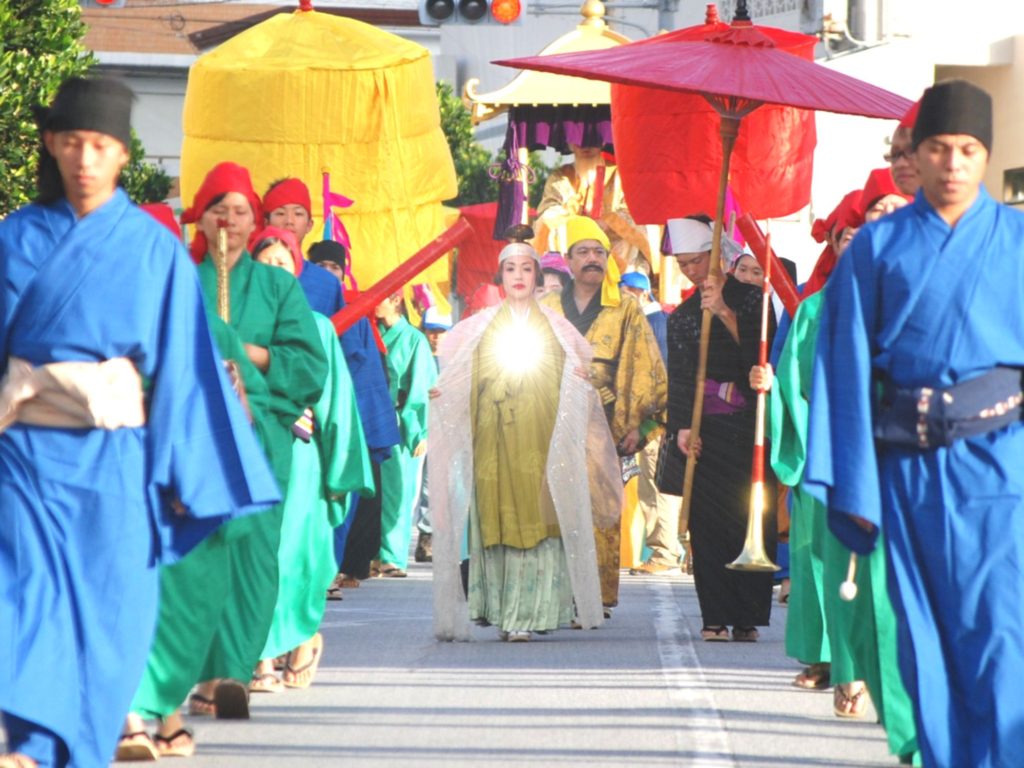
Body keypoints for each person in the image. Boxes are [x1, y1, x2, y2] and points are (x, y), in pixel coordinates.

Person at [0, 77, 279, 768]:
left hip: (116, 460)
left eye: (100, 145)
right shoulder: (15, 238)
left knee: (108, 614)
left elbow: (185, 367)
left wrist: (189, 468)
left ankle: (81, 739)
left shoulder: (151, 251)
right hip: (25, 458)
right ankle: (29, 741)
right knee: (22, 594)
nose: (85, 159)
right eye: (71, 142)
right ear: (49, 145)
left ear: (124, 154)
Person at [805, 80, 1024, 768]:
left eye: (967, 149)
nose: (953, 163)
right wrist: (857, 488)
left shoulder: (1017, 239)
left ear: (985, 156)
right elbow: (841, 367)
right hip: (909, 469)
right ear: (916, 155)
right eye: (937, 148)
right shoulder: (875, 249)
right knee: (923, 636)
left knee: (1002, 631)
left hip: (1004, 465)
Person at [182, 162, 327, 718]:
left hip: (261, 436)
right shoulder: (179, 278)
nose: (230, 220)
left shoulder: (277, 285)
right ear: (202, 216)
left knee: (254, 555)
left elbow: (307, 364)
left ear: (254, 221)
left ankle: (233, 670)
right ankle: (200, 673)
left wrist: (247, 355)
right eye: (219, 208)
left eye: (241, 210)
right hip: (191, 433)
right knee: (197, 552)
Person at [430, 242, 621, 642]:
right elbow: (460, 373)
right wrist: (445, 391)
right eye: (511, 269)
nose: (518, 276)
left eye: (526, 269)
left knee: (537, 518)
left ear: (537, 277)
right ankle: (499, 610)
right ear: (501, 278)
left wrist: (579, 381)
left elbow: (577, 369)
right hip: (495, 439)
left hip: (540, 439)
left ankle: (533, 612)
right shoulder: (481, 326)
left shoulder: (554, 326)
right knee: (497, 516)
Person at [249, 227, 372, 691]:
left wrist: (341, 474)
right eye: (265, 264)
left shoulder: (318, 327)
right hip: (248, 455)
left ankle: (299, 640)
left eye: (283, 263)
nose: (274, 272)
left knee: (295, 557)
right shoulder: (232, 326)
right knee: (254, 556)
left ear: (297, 270)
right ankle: (260, 661)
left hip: (300, 460)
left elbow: (337, 404)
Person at [540, 216, 667, 612]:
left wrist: (638, 425)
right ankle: (554, 593)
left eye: (599, 252)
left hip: (605, 420)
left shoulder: (626, 309)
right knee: (551, 506)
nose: (592, 259)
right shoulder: (546, 308)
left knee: (600, 507)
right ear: (569, 261)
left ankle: (593, 596)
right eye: (583, 252)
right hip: (549, 418)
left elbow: (648, 370)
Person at [660, 216, 776, 642]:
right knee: (707, 527)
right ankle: (713, 615)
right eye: (683, 263)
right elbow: (681, 378)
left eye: (697, 261)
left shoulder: (753, 300)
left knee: (751, 515)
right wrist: (681, 429)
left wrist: (724, 312)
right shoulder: (682, 318)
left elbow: (760, 358)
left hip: (749, 429)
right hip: (705, 429)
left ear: (717, 256)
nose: (691, 270)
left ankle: (747, 616)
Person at [307, 238, 402, 588]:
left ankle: (335, 566)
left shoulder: (356, 314)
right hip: (303, 414)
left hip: (343, 416)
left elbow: (366, 375)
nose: (329, 274)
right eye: (321, 268)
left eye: (335, 268)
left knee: (342, 491)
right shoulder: (294, 306)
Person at [618, 270, 681, 575]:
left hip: (655, 422)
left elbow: (659, 380)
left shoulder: (654, 324)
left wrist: (644, 424)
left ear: (643, 293)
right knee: (652, 486)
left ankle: (664, 552)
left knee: (657, 487)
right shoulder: (648, 323)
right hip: (651, 421)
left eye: (628, 290)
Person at [374, 292, 437, 577]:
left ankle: (391, 556)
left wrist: (419, 431)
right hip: (367, 419)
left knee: (398, 492)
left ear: (396, 299)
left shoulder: (414, 340)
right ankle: (367, 554)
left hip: (398, 421)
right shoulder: (366, 332)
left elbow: (421, 388)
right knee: (367, 492)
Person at [533, 144, 648, 269]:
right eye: (578, 139)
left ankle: (621, 280)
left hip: (611, 242)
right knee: (549, 227)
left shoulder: (619, 175)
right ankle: (563, 278)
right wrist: (579, 224)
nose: (585, 145)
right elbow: (549, 208)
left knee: (630, 237)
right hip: (571, 238)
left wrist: (608, 222)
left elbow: (632, 210)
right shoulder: (561, 176)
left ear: (603, 142)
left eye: (592, 139)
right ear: (570, 143)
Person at [413, 307, 452, 564]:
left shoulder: (457, 359)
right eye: (431, 331)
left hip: (449, 429)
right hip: (421, 428)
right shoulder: (419, 355)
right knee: (425, 486)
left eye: (441, 331)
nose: (436, 337)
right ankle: (426, 537)